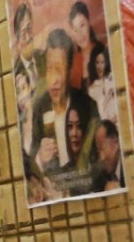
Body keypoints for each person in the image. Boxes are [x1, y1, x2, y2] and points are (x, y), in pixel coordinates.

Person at [31, 28, 100, 198]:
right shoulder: (40, 108)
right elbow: (30, 159)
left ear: (69, 72)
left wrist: (68, 191)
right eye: (49, 69)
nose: (53, 79)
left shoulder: (87, 107)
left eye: (59, 69)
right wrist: (40, 157)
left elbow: (97, 168)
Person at [67, 1, 107, 90]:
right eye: (75, 30)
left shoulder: (101, 51)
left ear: (88, 22)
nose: (80, 34)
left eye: (82, 25)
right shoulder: (75, 61)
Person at [12, 3, 45, 95]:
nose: (28, 37)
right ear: (17, 38)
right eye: (23, 33)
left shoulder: (43, 57)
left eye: (29, 29)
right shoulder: (16, 72)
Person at [87, 48, 118, 123]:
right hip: (109, 124)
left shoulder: (113, 77)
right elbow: (102, 108)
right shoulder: (93, 88)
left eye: (102, 62)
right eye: (97, 63)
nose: (99, 66)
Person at [92, 120, 124, 191]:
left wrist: (121, 189)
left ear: (115, 141)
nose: (102, 158)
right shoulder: (101, 177)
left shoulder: (129, 166)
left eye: (102, 148)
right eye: (98, 150)